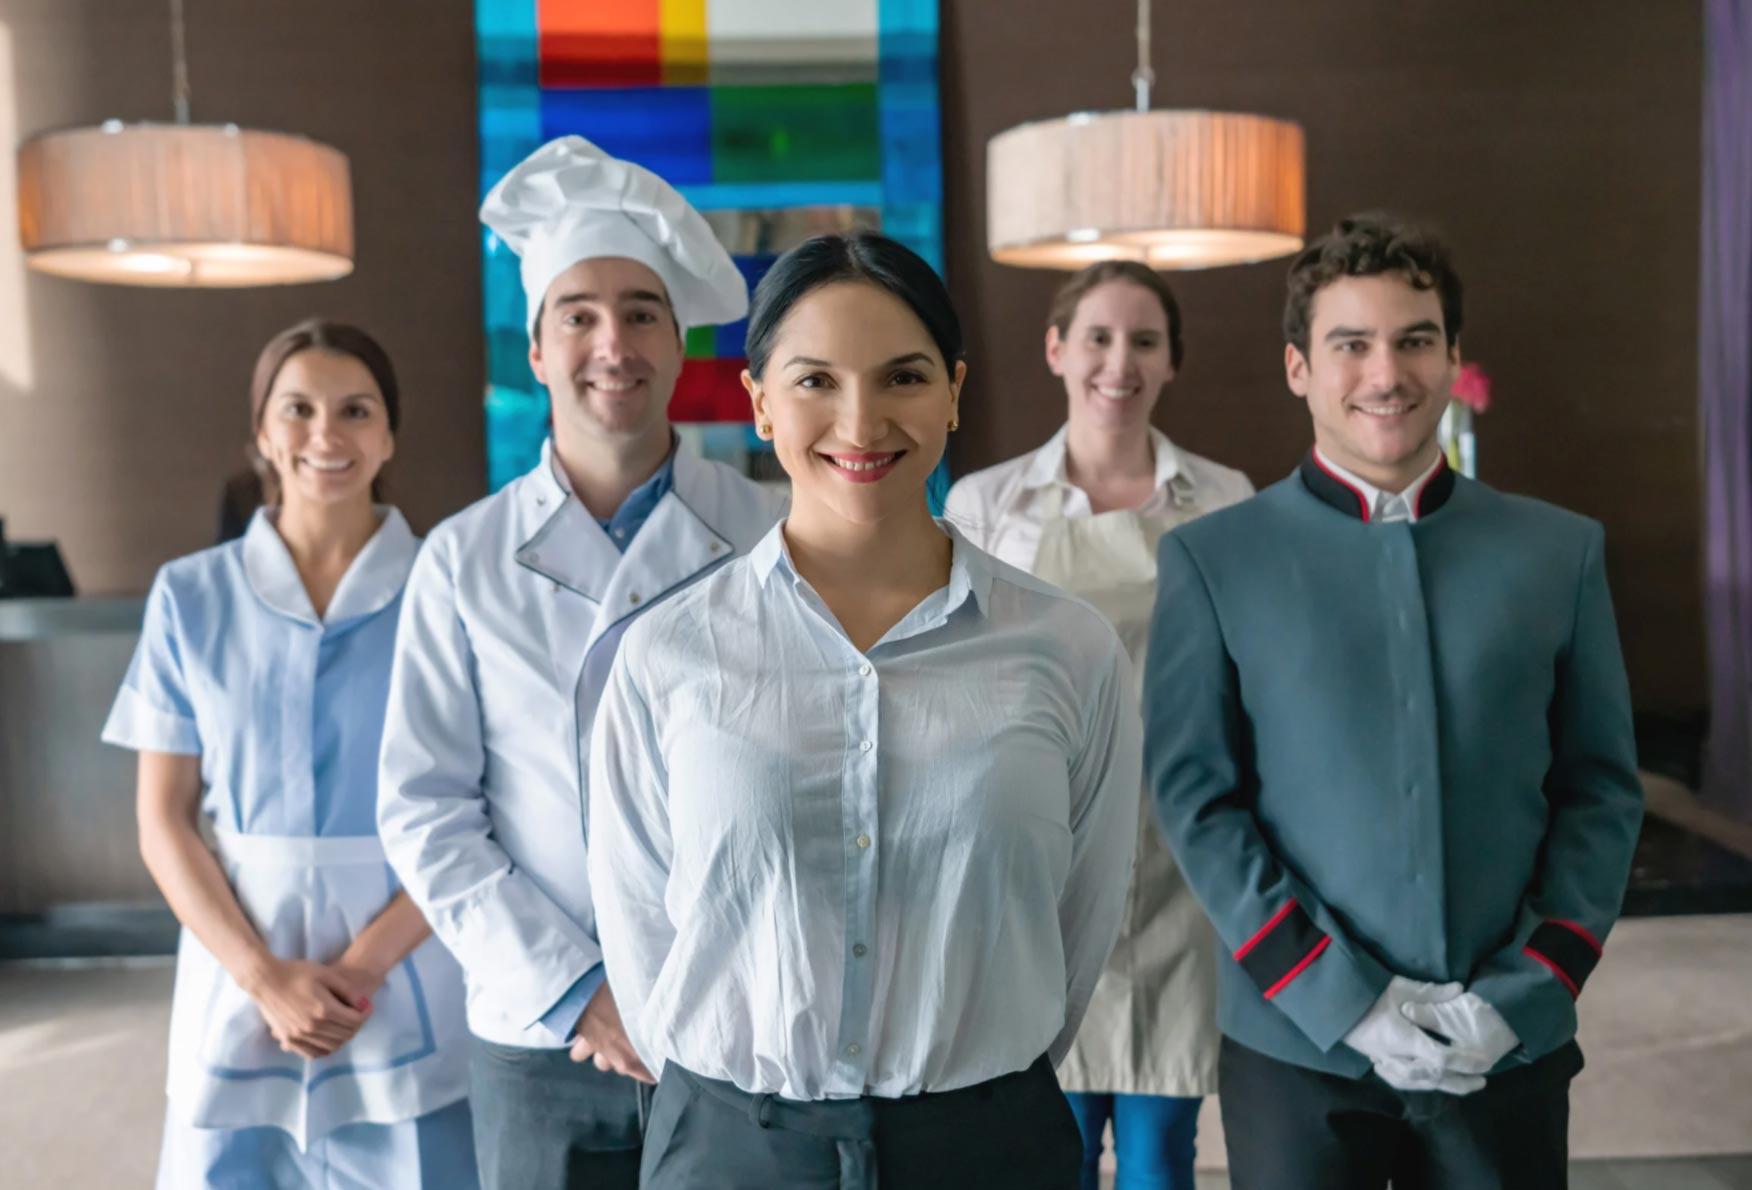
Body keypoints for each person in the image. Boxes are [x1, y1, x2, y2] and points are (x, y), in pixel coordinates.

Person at [587, 231, 1142, 1190]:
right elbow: (643, 947)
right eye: (814, 381)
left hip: (989, 1149)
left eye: (904, 377)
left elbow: (1080, 924)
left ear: (955, 391)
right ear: (759, 402)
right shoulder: (665, 655)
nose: (861, 419)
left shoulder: (1067, 648)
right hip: (734, 1150)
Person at [1144, 213, 1644, 1189]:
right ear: (1299, 366)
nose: (1387, 372)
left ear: (1453, 357)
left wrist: (1530, 984)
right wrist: (1346, 999)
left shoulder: (1558, 552)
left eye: (1415, 339)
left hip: (1507, 1042)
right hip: (1298, 1050)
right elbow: (1198, 801)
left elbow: (1601, 789)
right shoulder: (1214, 560)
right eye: (1351, 344)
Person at [376, 136, 785, 1190]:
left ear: (681, 340)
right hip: (538, 1034)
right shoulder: (461, 559)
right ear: (538, 347)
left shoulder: (770, 532)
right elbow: (426, 807)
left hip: (732, 1012)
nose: (615, 340)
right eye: (581, 313)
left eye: (642, 310)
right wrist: (576, 988)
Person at [102, 319, 475, 1188]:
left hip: (407, 953)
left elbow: (477, 807)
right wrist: (263, 978)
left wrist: (359, 973)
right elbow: (164, 819)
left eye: (355, 410)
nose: (326, 435)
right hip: (240, 955)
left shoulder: (448, 589)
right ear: (263, 434)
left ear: (388, 436)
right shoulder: (190, 595)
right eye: (298, 410)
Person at [946, 260, 1251, 1190]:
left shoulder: (1227, 499)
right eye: (1099, 338)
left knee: (1164, 1153)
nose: (1119, 363)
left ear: (1170, 364)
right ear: (1056, 350)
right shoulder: (985, 508)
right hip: (1041, 859)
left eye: (1144, 342)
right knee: (1052, 1145)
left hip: (1180, 858)